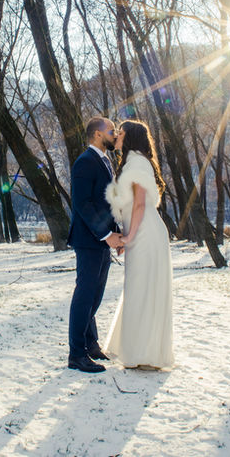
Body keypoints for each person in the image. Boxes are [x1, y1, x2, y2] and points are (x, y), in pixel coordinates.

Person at [104, 119, 174, 370]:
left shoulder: (137, 163)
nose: (116, 136)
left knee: (144, 290)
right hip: (139, 231)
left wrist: (130, 236)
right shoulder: (133, 162)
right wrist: (126, 235)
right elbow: (131, 205)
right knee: (138, 289)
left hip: (145, 234)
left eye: (120, 132)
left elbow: (141, 204)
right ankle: (137, 351)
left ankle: (145, 355)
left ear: (130, 136)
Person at [66, 117, 125, 373]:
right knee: (84, 296)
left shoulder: (105, 161)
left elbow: (106, 204)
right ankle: (76, 355)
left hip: (102, 239)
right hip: (88, 240)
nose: (115, 134)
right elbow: (82, 203)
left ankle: (91, 345)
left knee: (95, 296)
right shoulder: (85, 162)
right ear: (98, 135)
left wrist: (116, 233)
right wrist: (105, 235)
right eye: (112, 131)